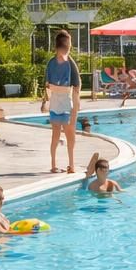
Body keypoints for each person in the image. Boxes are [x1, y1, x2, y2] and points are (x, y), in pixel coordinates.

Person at [45, 30, 81, 174]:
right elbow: (76, 88)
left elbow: (47, 85)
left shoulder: (51, 63)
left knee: (56, 135)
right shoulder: (70, 64)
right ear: (66, 45)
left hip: (55, 102)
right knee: (69, 136)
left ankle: (54, 164)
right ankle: (71, 165)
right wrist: (76, 110)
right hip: (65, 103)